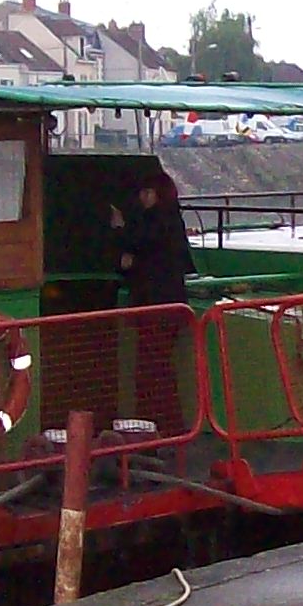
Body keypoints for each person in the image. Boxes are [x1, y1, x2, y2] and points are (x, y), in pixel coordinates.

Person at [113, 175, 195, 424]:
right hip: (167, 306)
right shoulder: (170, 221)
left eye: (148, 192)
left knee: (152, 369)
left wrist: (119, 228)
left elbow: (137, 247)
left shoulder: (158, 222)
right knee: (159, 368)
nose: (143, 197)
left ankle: (158, 423)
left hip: (155, 306)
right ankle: (166, 424)